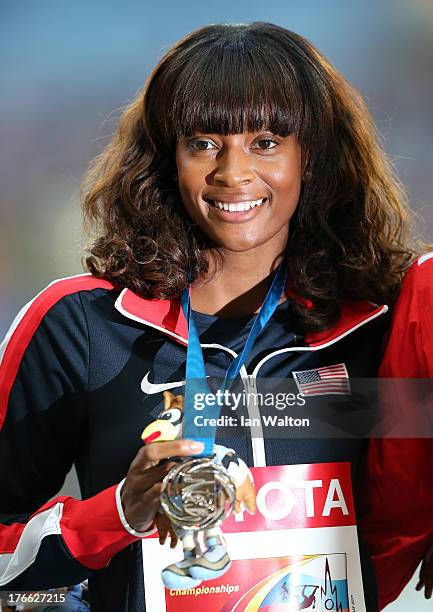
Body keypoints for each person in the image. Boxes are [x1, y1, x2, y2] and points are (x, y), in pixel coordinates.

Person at [0, 22, 428, 611]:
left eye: (267, 142)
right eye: (203, 143)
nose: (233, 173)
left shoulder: (383, 324)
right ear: (165, 158)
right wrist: (118, 512)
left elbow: (410, 491)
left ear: (315, 156)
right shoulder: (79, 324)